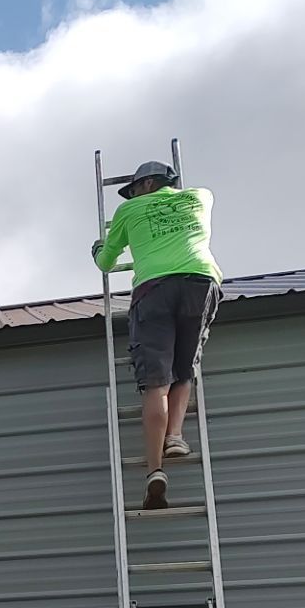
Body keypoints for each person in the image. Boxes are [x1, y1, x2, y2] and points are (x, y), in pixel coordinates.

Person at [92, 160, 222, 510]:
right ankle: (175, 436)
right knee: (185, 368)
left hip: (154, 289)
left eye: (134, 187)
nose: (132, 194)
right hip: (200, 280)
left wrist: (96, 250)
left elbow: (106, 262)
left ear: (147, 183)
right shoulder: (201, 197)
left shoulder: (129, 210)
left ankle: (155, 471)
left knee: (155, 383)